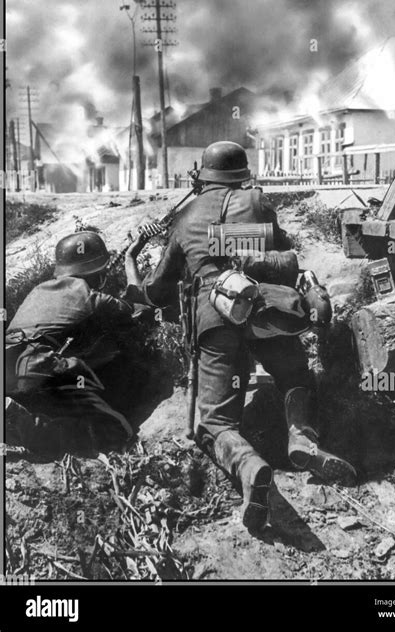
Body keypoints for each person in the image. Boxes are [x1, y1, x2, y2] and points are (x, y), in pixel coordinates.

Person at [125, 141, 356, 533]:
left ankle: (250, 468)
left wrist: (132, 259)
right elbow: (284, 259)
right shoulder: (258, 203)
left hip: (215, 318)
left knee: (214, 423)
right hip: (263, 306)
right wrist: (244, 248)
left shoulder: (185, 215)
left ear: (203, 176)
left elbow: (157, 291)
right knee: (295, 377)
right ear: (242, 173)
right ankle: (301, 438)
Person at [6, 231, 140, 456]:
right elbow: (137, 306)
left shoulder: (38, 290)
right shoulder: (90, 296)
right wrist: (130, 258)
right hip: (38, 365)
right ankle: (30, 427)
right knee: (117, 430)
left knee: (55, 405)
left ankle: (17, 419)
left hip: (8, 366)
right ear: (97, 274)